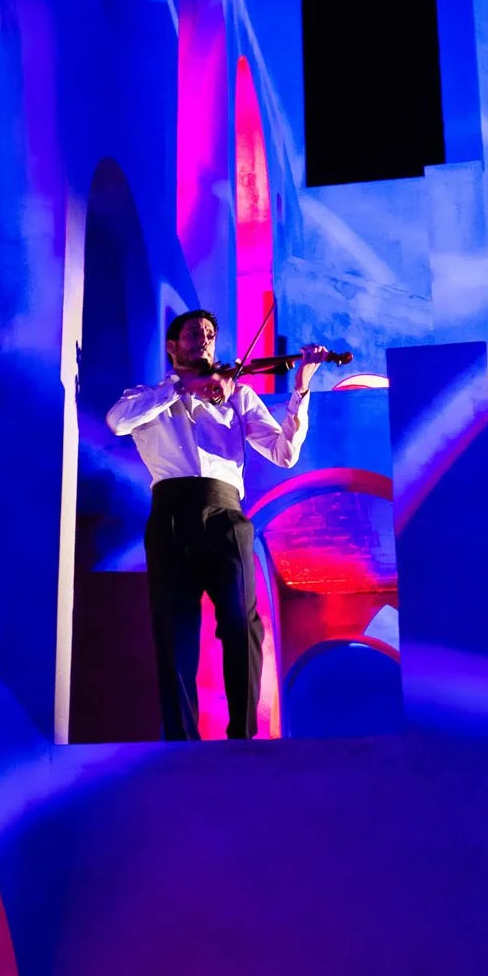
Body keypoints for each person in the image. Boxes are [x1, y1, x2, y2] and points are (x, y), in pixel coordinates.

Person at [106, 310, 327, 741]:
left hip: (225, 514)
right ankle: (182, 745)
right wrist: (183, 387)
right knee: (175, 630)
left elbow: (284, 453)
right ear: (172, 346)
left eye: (209, 334)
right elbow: (117, 421)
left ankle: (242, 738)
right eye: (193, 334)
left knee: (242, 623)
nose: (204, 341)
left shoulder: (238, 395)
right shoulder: (148, 398)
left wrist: (300, 388)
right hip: (170, 515)